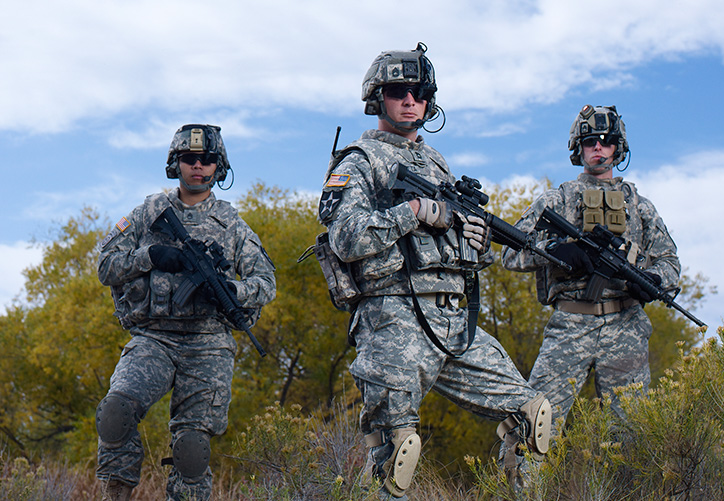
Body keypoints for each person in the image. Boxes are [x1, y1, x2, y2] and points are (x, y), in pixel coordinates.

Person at [318, 43, 551, 499]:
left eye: (421, 92)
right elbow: (345, 239)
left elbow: (455, 247)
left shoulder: (437, 162)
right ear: (376, 98)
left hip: (452, 318)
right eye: (399, 90)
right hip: (393, 318)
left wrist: (478, 246)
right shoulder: (359, 162)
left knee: (533, 415)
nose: (411, 100)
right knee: (396, 453)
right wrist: (414, 210)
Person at [95, 124, 276, 501]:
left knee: (192, 449)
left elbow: (266, 282)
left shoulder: (232, 225)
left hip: (208, 343)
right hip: (153, 338)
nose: (198, 166)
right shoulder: (148, 214)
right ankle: (116, 492)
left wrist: (234, 290)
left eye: (206, 159)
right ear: (174, 164)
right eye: (188, 158)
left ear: (219, 166)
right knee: (114, 413)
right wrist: (150, 256)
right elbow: (105, 267)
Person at [502, 104, 681, 436]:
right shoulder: (557, 201)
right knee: (534, 425)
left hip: (626, 324)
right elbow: (511, 254)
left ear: (618, 147)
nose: (598, 148)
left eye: (606, 141)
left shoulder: (640, 207)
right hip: (571, 322)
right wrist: (556, 250)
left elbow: (669, 263)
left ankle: (629, 491)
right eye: (590, 142)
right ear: (578, 148)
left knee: (633, 435)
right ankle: (521, 488)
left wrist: (654, 280)